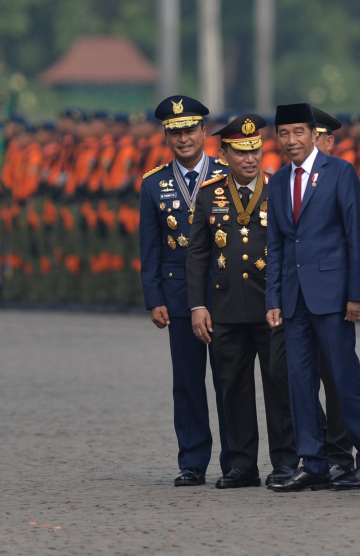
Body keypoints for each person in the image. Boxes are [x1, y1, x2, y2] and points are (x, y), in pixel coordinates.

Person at [265, 103, 360, 492]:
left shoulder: (339, 173)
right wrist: (273, 298)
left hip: (333, 297)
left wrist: (357, 296)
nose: (291, 141)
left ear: (314, 134)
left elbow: (358, 238)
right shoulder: (280, 180)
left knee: (343, 378)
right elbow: (277, 245)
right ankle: (313, 461)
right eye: (284, 134)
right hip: (294, 297)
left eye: (298, 132)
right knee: (299, 380)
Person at [186, 113, 299, 489]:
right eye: (240, 153)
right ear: (224, 153)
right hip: (226, 309)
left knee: (279, 386)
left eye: (256, 151)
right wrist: (197, 306)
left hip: (272, 308)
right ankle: (241, 464)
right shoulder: (209, 194)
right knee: (232, 388)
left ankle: (285, 461)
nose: (250, 160)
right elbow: (198, 255)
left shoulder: (279, 189)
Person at [138, 95, 230, 486]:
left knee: (231, 380)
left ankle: (237, 460)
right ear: (166, 136)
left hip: (227, 292)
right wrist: (154, 298)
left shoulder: (230, 175)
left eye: (190, 130)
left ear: (204, 131)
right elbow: (150, 247)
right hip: (177, 297)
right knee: (187, 381)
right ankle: (192, 460)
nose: (183, 138)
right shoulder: (153, 183)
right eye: (175, 132)